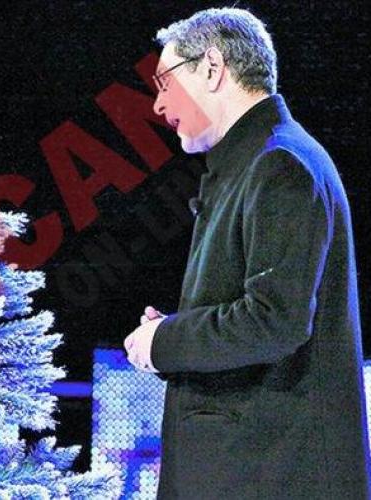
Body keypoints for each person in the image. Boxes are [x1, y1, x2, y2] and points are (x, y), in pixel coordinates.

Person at [123, 7, 370, 499]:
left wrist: (164, 340)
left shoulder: (280, 165)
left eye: (166, 82)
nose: (158, 104)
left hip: (270, 477)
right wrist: (173, 331)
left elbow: (274, 321)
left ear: (212, 68)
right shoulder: (258, 162)